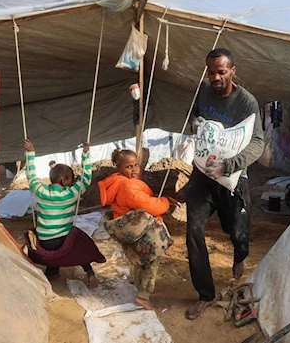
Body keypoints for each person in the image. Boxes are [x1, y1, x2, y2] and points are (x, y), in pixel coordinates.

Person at [185, 48, 264, 320]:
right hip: (202, 175)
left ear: (232, 70)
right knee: (193, 232)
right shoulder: (204, 92)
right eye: (211, 72)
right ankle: (206, 294)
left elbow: (257, 142)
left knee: (238, 232)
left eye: (221, 72)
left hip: (232, 178)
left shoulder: (247, 103)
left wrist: (229, 165)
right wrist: (194, 122)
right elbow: (193, 116)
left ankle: (240, 255)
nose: (215, 77)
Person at [98, 148, 177, 310]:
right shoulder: (129, 187)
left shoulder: (117, 183)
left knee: (140, 260)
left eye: (136, 165)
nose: (134, 169)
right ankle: (143, 296)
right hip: (142, 231)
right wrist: (164, 202)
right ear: (118, 168)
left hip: (132, 232)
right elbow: (149, 206)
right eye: (129, 167)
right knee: (151, 262)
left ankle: (137, 283)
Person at [24, 138, 101, 287]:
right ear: (65, 180)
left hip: (45, 242)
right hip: (63, 241)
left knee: (49, 245)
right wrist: (85, 154)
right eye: (71, 180)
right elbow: (86, 178)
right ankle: (89, 271)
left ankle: (52, 272)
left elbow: (31, 176)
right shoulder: (72, 193)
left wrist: (31, 153)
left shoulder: (41, 191)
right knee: (81, 244)